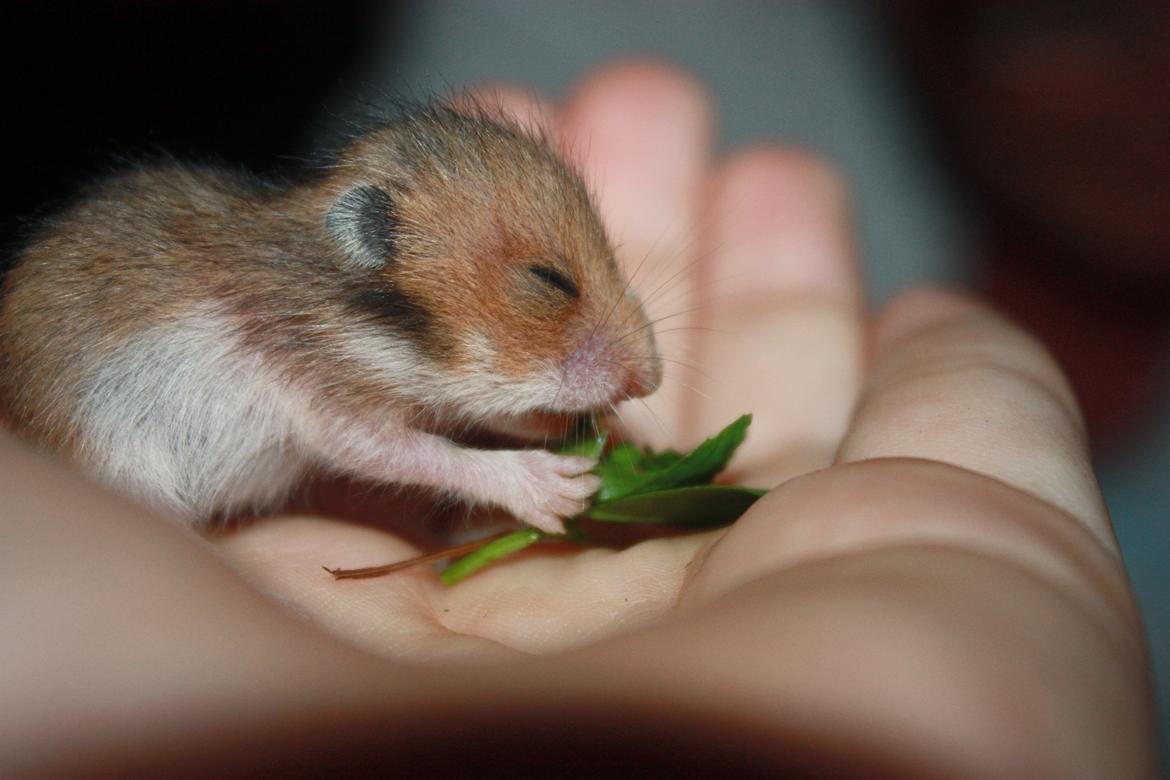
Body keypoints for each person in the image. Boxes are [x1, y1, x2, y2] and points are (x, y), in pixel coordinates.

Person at [0, 62, 1154, 777]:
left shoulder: (379, 305)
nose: (638, 362)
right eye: (551, 286)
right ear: (373, 241)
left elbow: (425, 401)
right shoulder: (296, 306)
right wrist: (498, 483)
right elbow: (347, 426)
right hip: (111, 448)